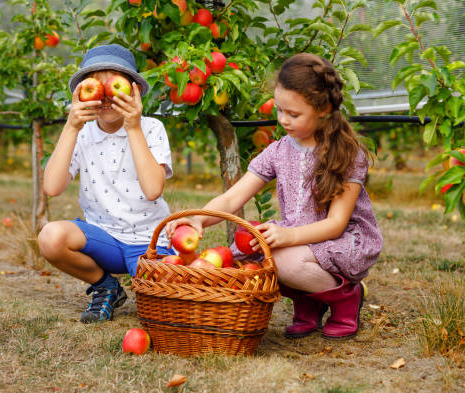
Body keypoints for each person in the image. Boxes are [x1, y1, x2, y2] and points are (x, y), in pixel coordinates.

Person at [165, 53, 383, 339]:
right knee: (249, 254)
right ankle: (308, 301)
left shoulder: (347, 154)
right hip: (299, 237)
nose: (283, 120)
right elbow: (233, 199)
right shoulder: (279, 151)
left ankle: (345, 297)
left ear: (323, 108)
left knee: (279, 259)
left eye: (294, 114)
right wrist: (199, 219)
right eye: (279, 110)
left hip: (339, 239)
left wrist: (289, 237)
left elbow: (336, 223)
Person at [38, 44, 175, 323]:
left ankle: (146, 285)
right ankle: (105, 286)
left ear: (134, 91)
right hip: (104, 241)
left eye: (115, 85)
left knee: (165, 304)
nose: (106, 95)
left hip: (148, 243)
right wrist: (71, 126)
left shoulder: (150, 129)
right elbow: (51, 187)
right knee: (50, 237)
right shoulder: (82, 133)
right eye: (95, 86)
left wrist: (133, 126)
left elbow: (152, 190)